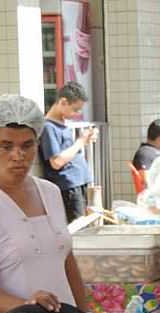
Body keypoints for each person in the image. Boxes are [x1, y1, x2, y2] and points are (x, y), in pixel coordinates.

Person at [0, 94, 88, 313]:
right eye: (6, 146)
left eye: (27, 145)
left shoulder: (50, 192)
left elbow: (67, 264)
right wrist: (28, 308)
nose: (18, 155)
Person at [39, 81, 97, 223]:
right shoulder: (48, 127)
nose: (77, 114)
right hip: (68, 186)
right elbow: (56, 162)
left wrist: (85, 139)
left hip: (77, 183)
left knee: (83, 224)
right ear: (63, 102)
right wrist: (80, 142)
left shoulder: (61, 124)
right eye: (75, 109)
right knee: (78, 229)